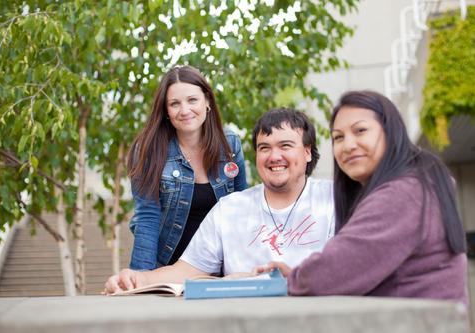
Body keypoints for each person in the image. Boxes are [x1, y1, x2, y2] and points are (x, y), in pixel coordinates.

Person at [257, 91, 468, 305]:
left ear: (390, 132)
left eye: (360, 131)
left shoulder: (402, 194)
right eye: (338, 137)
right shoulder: (418, 183)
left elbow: (335, 270)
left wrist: (297, 279)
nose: (348, 145)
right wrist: (297, 277)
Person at [104, 108, 335, 293]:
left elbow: (352, 269)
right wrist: (138, 278)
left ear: (307, 152)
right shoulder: (230, 208)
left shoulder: (335, 200)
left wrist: (293, 279)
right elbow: (187, 270)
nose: (274, 156)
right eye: (264, 148)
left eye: (285, 146)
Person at [127, 65, 247, 270]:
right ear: (165, 110)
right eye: (174, 103)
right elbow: (147, 217)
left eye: (192, 100)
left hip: (220, 268)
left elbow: (241, 210)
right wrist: (142, 278)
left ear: (207, 101)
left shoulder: (229, 145)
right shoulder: (148, 149)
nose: (184, 110)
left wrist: (243, 267)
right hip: (167, 268)